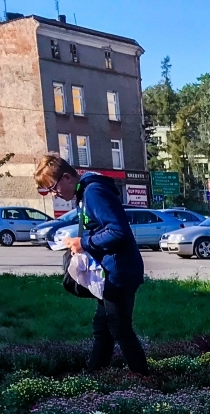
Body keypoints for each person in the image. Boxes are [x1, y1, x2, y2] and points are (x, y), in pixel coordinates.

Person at [34, 152, 149, 375]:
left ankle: (144, 379)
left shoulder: (94, 192)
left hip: (119, 272)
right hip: (110, 272)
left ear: (67, 177)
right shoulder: (85, 193)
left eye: (54, 187)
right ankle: (95, 375)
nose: (54, 194)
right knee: (104, 327)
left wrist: (84, 243)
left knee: (119, 328)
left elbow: (118, 232)